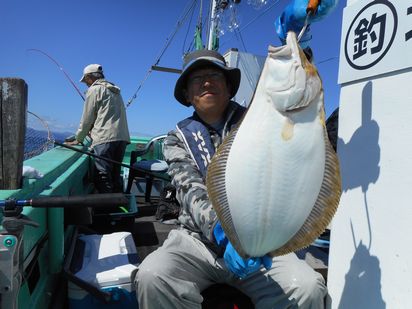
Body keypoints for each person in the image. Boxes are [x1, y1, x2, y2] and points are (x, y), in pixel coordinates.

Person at [135, 49, 327, 308]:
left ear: (228, 87)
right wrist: (222, 233)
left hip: (263, 242)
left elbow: (291, 89)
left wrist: (296, 44)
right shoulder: (177, 138)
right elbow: (189, 187)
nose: (206, 82)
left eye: (215, 75)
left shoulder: (261, 118)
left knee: (307, 287)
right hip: (196, 241)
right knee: (152, 276)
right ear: (187, 95)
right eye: (196, 79)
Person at [66, 64, 130, 193]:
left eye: (85, 80)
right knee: (115, 174)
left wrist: (79, 138)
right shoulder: (114, 90)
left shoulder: (94, 90)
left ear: (89, 77)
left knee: (103, 175)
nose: (86, 84)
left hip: (105, 138)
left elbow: (87, 118)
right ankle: (118, 204)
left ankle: (107, 208)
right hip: (122, 138)